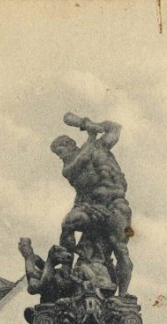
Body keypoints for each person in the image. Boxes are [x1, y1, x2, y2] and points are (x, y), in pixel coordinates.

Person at [51, 113, 133, 296]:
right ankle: (66, 269)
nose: (60, 157)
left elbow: (116, 128)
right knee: (68, 223)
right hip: (91, 208)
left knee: (121, 248)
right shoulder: (70, 167)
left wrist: (90, 124)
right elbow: (83, 157)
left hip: (117, 206)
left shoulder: (101, 147)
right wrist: (90, 132)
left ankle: (123, 295)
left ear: (69, 145)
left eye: (60, 152)